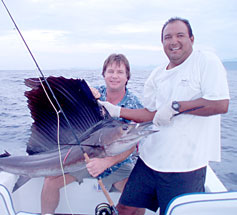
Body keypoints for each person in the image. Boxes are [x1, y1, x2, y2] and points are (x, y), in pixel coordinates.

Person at [99, 17, 230, 215]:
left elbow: (220, 104)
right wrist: (117, 110)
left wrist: (177, 106)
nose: (173, 41)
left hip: (185, 167)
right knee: (125, 208)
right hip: (149, 159)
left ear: (192, 39)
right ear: (162, 43)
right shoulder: (157, 74)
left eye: (180, 35)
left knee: (171, 212)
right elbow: (150, 114)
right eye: (167, 37)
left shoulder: (205, 61)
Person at [40, 53, 144, 215]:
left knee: (138, 199)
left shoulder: (135, 104)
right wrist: (81, 93)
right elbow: (62, 106)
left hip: (118, 163)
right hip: (87, 159)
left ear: (127, 77)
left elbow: (131, 145)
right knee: (50, 181)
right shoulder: (94, 96)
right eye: (110, 71)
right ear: (103, 75)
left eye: (120, 72)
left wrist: (106, 162)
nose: (114, 76)